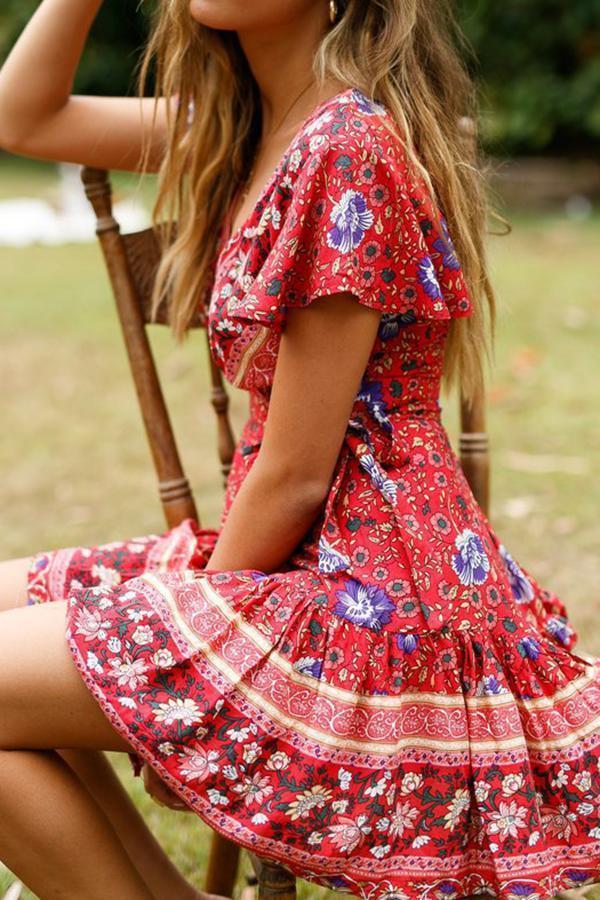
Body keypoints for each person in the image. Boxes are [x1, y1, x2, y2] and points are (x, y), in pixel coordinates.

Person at [0, 1, 598, 899]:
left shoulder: (348, 145)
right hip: (294, 559)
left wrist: (190, 690)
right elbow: (24, 116)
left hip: (375, 595)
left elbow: (294, 477)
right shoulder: (246, 125)